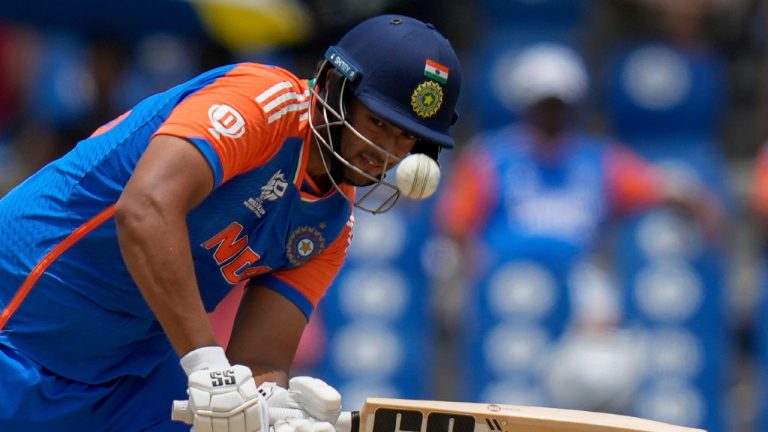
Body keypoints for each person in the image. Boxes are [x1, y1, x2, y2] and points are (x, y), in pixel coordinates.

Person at [0, 14, 461, 432]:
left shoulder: (331, 225)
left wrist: (274, 408)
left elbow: (261, 357)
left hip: (126, 370)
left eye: (406, 138)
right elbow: (145, 209)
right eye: (378, 122)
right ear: (335, 87)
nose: (386, 151)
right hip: (22, 319)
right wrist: (209, 368)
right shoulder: (263, 102)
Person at [436, 42, 721, 407]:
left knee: (606, 342)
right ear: (526, 103)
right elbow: (456, 226)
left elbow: (660, 186)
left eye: (560, 104)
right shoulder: (492, 156)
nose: (552, 113)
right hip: (509, 289)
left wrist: (701, 205)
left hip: (579, 294)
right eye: (544, 103)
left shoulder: (597, 159)